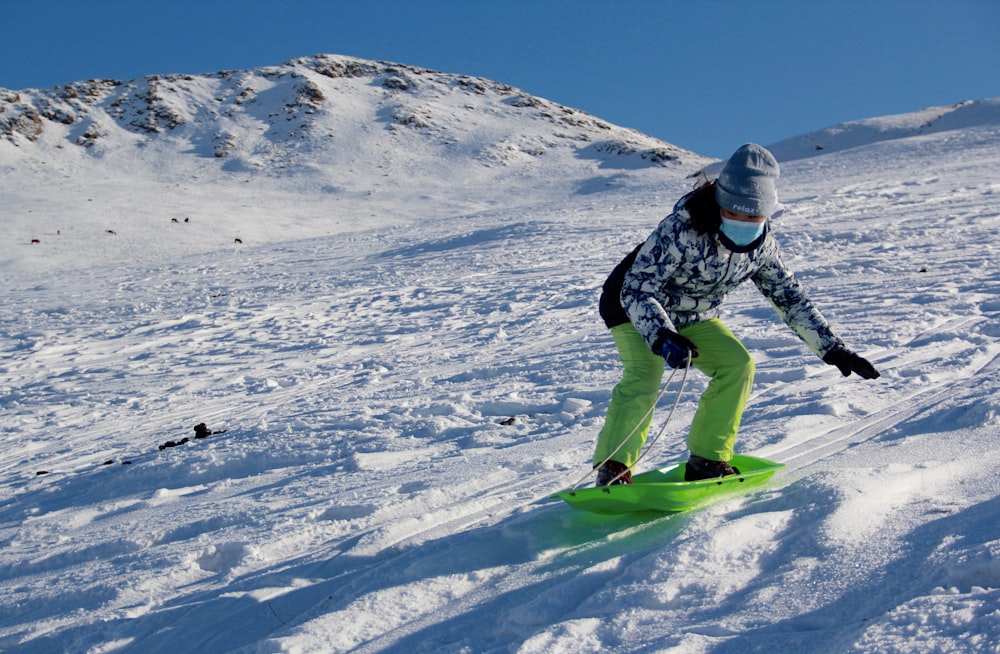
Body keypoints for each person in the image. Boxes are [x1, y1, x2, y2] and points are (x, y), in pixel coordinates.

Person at [594, 143, 880, 485]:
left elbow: (788, 297)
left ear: (767, 213)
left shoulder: (763, 247)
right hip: (633, 304)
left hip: (694, 313)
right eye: (735, 213)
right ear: (719, 204)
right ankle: (615, 468)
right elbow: (638, 287)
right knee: (645, 374)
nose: (744, 222)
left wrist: (831, 347)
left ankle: (707, 462)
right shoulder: (681, 229)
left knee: (737, 365)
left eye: (753, 217)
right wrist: (660, 334)